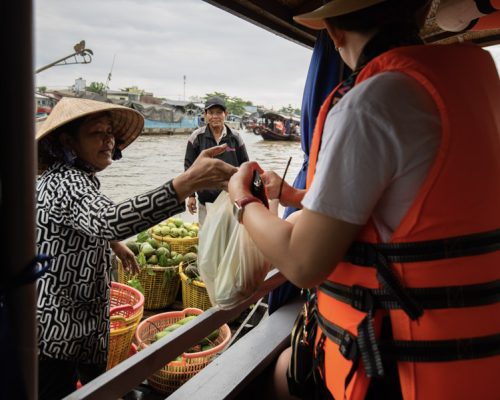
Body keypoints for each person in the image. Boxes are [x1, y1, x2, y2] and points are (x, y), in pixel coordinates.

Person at [228, 1, 500, 399]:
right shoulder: (472, 83)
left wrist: (242, 201)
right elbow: (413, 195)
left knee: (286, 372)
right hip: (479, 342)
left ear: (334, 33)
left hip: (403, 362)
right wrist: (298, 196)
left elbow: (302, 263)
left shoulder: (372, 100)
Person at [35, 97, 237, 400]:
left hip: (83, 318)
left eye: (110, 132)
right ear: (68, 141)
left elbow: (85, 219)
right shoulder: (66, 182)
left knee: (97, 384)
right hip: (57, 328)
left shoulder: (75, 180)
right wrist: (185, 184)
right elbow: (108, 219)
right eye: (96, 133)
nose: (108, 140)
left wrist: (114, 245)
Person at [184, 96, 249, 225]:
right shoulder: (197, 137)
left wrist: (245, 195)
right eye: (211, 113)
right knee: (206, 238)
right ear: (205, 115)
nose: (215, 116)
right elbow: (189, 167)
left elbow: (245, 166)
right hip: (206, 199)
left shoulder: (235, 138)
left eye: (219, 113)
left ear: (226, 114)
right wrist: (191, 196)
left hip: (231, 198)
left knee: (228, 239)